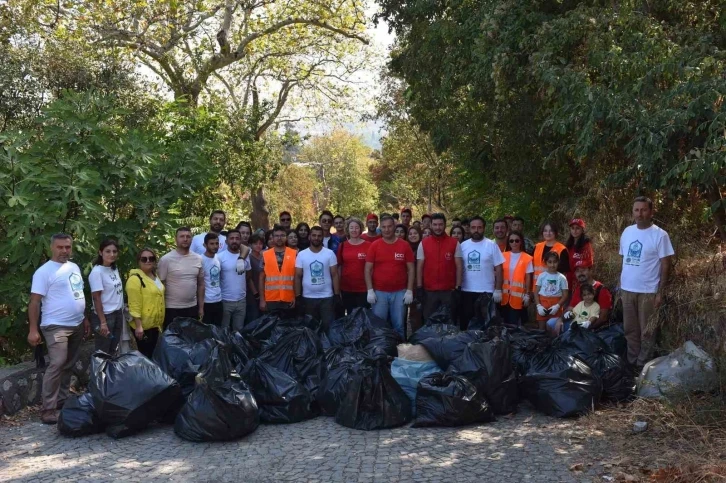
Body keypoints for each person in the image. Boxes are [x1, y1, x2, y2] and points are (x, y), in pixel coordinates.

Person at [28, 234, 90, 424]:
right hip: (55, 325)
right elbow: (34, 302)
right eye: (60, 247)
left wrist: (84, 317)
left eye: (68, 247)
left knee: (69, 363)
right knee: (57, 363)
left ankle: (62, 400)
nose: (64, 251)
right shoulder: (43, 272)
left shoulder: (74, 267)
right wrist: (33, 329)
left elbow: (77, 292)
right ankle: (48, 408)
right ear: (52, 248)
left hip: (77, 323)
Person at [619, 196, 674, 368]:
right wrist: (619, 286)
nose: (639, 214)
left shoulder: (660, 235)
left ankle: (643, 367)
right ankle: (632, 363)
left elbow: (666, 265)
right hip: (627, 290)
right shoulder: (627, 232)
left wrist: (660, 292)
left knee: (647, 332)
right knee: (630, 330)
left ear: (651, 212)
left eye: (643, 210)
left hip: (648, 291)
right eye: (636, 210)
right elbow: (624, 259)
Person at [365, 215, 415, 338]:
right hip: (379, 293)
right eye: (384, 227)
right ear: (380, 228)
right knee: (379, 326)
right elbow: (367, 269)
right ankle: (380, 352)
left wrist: (409, 290)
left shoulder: (404, 245)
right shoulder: (375, 245)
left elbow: (411, 269)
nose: (387, 230)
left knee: (399, 326)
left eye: (389, 226)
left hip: (399, 293)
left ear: (394, 227)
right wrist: (370, 290)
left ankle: (400, 353)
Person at [458, 216, 505, 329]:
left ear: (484, 228)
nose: (476, 230)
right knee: (467, 325)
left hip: (487, 292)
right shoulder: (463, 246)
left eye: (479, 227)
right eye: (473, 227)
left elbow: (499, 268)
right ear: (469, 229)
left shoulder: (491, 245)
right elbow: (458, 267)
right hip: (466, 291)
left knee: (486, 326)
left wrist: (498, 289)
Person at [416, 213, 463, 319]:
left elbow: (459, 267)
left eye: (440, 224)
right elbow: (419, 267)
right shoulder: (423, 243)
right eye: (435, 224)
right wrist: (419, 287)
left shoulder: (454, 243)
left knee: (449, 323)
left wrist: (458, 287)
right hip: (429, 292)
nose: (438, 227)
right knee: (429, 322)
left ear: (445, 225)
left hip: (448, 292)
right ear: (431, 225)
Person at [295, 226, 341, 330]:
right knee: (310, 329)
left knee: (328, 328)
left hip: (327, 298)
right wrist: (297, 296)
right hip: (308, 298)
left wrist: (337, 295)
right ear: (309, 237)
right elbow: (297, 276)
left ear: (322, 237)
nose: (316, 238)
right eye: (314, 235)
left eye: (319, 236)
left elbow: (334, 275)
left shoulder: (329, 254)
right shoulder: (301, 255)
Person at [158, 227, 205, 329]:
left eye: (188, 236)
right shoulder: (166, 260)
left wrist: (201, 308)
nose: (185, 239)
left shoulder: (198, 259)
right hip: (172, 309)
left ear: (191, 239)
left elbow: (201, 284)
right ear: (176, 239)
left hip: (192, 307)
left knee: (190, 340)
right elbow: (160, 286)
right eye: (182, 236)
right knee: (172, 342)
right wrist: (161, 311)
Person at [126, 248, 165, 358]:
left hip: (154, 324)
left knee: (152, 353)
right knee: (145, 355)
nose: (148, 261)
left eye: (151, 258)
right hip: (143, 326)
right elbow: (134, 304)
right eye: (144, 259)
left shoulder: (155, 276)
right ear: (139, 261)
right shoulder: (135, 279)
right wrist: (138, 326)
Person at [89, 239, 124, 354]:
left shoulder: (113, 268)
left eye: (114, 251)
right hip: (105, 317)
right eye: (108, 251)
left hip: (117, 313)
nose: (112, 254)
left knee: (113, 349)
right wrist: (102, 322)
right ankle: (99, 372)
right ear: (100, 252)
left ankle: (110, 372)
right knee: (103, 352)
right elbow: (96, 298)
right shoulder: (97, 272)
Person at [217, 229, 252, 332]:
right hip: (225, 300)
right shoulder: (220, 257)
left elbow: (248, 274)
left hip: (241, 300)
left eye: (237, 238)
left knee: (238, 330)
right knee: (224, 330)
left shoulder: (245, 256)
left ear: (240, 240)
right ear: (226, 241)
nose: (234, 241)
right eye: (231, 238)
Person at [563, 260, 613, 330]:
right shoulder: (579, 289)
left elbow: (603, 317)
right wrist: (560, 320)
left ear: (590, 271)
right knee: (552, 323)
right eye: (577, 271)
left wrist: (587, 330)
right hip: (576, 322)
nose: (580, 273)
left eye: (583, 270)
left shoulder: (602, 290)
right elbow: (570, 308)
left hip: (592, 329)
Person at [260, 225, 298, 313]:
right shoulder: (265, 255)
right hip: (271, 299)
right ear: (272, 238)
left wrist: (295, 297)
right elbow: (261, 278)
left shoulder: (294, 254)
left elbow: (297, 277)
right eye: (276, 236)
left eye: (282, 235)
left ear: (286, 237)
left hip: (289, 299)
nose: (279, 238)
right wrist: (262, 299)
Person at [337, 218, 371, 313]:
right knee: (350, 316)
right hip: (346, 288)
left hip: (364, 288)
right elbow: (339, 267)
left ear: (361, 229)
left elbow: (372, 268)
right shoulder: (342, 246)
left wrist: (371, 288)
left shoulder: (369, 245)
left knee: (363, 316)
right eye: (351, 227)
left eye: (356, 227)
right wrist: (338, 287)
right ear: (348, 229)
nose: (354, 230)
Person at [500, 231, 534, 326]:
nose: (514, 243)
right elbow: (498, 273)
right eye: (511, 241)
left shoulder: (527, 258)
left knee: (514, 324)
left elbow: (528, 277)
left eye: (516, 240)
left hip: (518, 297)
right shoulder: (503, 255)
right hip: (504, 296)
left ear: (521, 242)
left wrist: (527, 294)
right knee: (504, 323)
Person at [534, 251, 569, 331]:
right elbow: (536, 292)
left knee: (553, 329)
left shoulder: (562, 277)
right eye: (550, 262)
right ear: (545, 262)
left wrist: (557, 306)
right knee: (541, 329)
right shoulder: (541, 276)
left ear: (558, 262)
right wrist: (538, 306)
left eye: (555, 262)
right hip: (543, 304)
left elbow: (565, 295)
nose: (552, 265)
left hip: (556, 305)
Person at [201, 233, 223, 326]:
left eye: (216, 243)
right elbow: (199, 283)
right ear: (205, 245)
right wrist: (201, 307)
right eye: (212, 244)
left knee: (217, 329)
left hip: (218, 300)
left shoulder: (218, 258)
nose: (215, 246)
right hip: (207, 302)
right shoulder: (200, 260)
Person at [565, 218, 594, 289]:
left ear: (582, 230)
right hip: (568, 278)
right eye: (572, 228)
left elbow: (589, 263)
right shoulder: (569, 245)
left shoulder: (586, 245)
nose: (574, 231)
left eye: (577, 228)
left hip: (580, 278)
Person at [245, 234, 265, 324]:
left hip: (265, 291)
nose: (258, 246)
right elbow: (249, 278)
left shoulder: (265, 257)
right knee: (254, 316)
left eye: (260, 243)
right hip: (253, 292)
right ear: (250, 245)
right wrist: (255, 293)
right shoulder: (248, 258)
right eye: (255, 244)